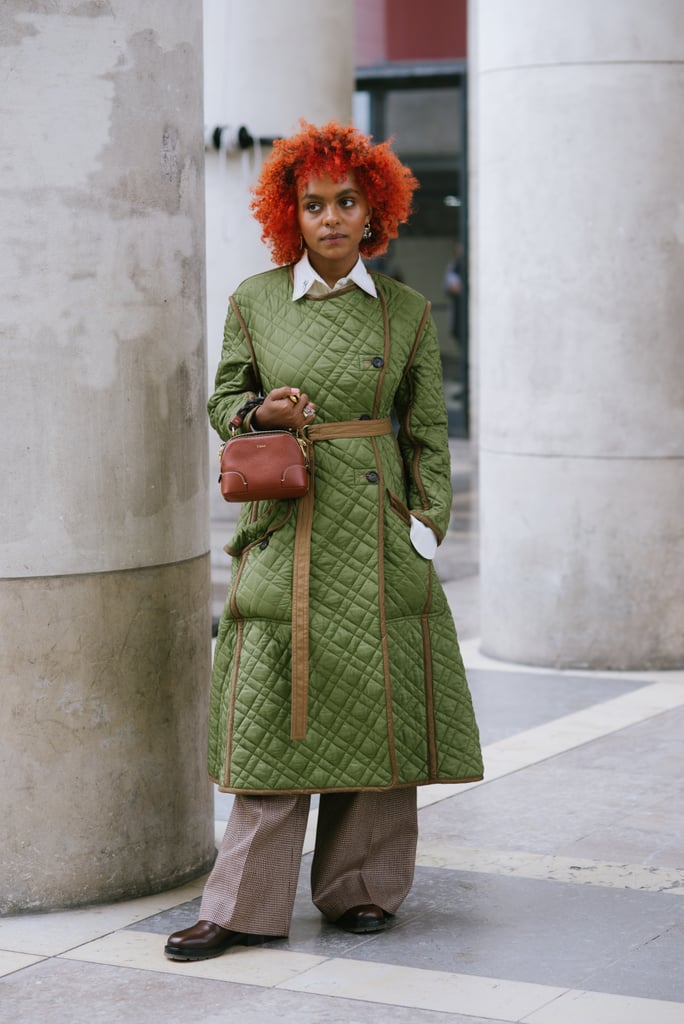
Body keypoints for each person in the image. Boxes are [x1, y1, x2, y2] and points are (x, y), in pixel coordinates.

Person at [165, 121, 483, 962]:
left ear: (374, 209)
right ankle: (239, 906)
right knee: (277, 716)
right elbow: (225, 398)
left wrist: (426, 523)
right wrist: (265, 413)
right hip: (290, 528)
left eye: (347, 201)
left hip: (381, 540)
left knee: (377, 721)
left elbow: (426, 432)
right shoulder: (255, 299)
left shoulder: (408, 313)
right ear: (290, 215)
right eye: (314, 204)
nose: (332, 218)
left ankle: (363, 891)